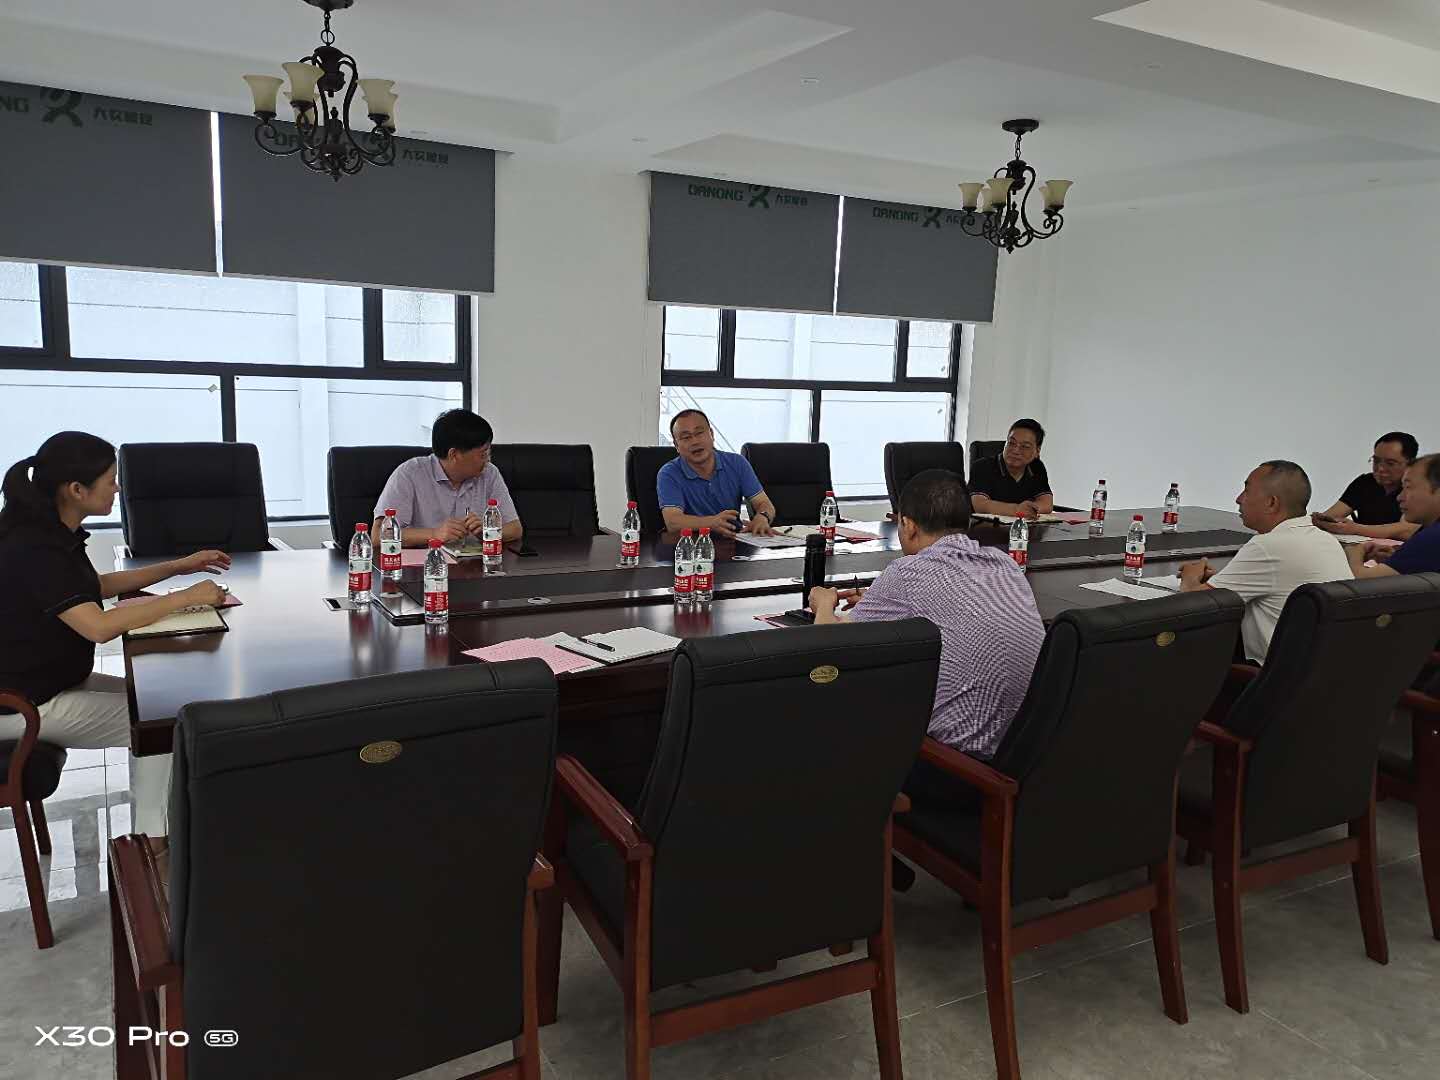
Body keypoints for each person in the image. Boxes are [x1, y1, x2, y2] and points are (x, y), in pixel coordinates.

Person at [0, 433, 231, 839]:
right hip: (21, 704)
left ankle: (161, 827)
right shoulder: (35, 548)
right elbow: (99, 626)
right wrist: (185, 598)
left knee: (159, 703)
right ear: (76, 490)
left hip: (46, 683)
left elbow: (95, 586)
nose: (118, 488)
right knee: (167, 724)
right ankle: (152, 843)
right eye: (110, 480)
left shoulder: (51, 533)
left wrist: (179, 566)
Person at [809, 468, 1044, 758]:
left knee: (839, 694)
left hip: (957, 762)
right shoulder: (1005, 564)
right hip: (1027, 752)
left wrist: (823, 604)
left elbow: (828, 647)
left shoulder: (907, 573)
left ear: (908, 525)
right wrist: (882, 602)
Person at [1179, 460, 1352, 663]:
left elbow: (1195, 608)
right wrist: (1222, 581)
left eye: (1247, 491)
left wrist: (1190, 577)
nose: (1238, 499)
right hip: (1324, 669)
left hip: (1277, 674)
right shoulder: (1325, 539)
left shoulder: (1268, 546)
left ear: (1271, 503)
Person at [372, 409, 522, 547]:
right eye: (483, 454)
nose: (488, 459)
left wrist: (487, 531)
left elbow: (515, 528)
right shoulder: (409, 474)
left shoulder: (489, 473)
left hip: (476, 563)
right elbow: (378, 535)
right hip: (427, 563)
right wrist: (434, 534)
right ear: (454, 454)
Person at [658, 409, 778, 537]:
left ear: (711, 434)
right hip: (691, 544)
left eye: (699, 433)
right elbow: (673, 522)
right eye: (686, 437)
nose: (695, 441)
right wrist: (711, 522)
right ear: (676, 445)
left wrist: (762, 517)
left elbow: (764, 503)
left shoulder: (737, 463)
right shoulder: (668, 473)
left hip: (734, 540)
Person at [1313, 432, 1421, 542]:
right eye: (1376, 461)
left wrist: (1355, 529)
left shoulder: (1419, 489)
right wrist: (1323, 521)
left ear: (1411, 464)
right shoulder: (1365, 483)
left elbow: (1406, 530)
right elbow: (1333, 514)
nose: (1380, 469)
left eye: (1390, 463)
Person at [1346, 454, 1440, 579]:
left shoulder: (1433, 537)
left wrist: (1353, 554)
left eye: (1408, 487)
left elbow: (1360, 583)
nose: (1399, 497)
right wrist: (1395, 561)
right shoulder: (1429, 530)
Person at [968, 419, 1054, 519]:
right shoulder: (983, 466)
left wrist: (1028, 510)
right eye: (1011, 443)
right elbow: (980, 505)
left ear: (1037, 451)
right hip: (985, 527)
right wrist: (1017, 510)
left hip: (1024, 527)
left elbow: (1047, 504)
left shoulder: (1036, 467)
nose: (1016, 450)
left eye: (1025, 446)